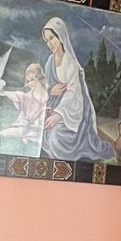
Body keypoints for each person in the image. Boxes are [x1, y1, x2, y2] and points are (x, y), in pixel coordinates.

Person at [40, 16, 115, 162]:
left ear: (60, 36)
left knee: (55, 139)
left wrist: (57, 116)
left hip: (71, 113)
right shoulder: (49, 61)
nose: (49, 43)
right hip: (52, 106)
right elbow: (46, 85)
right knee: (38, 130)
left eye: (52, 38)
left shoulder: (70, 63)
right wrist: (50, 91)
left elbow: (73, 94)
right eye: (46, 41)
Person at [0, 61, 48, 145]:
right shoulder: (29, 95)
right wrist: (5, 93)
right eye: (28, 81)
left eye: (32, 80)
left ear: (38, 77)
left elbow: (45, 105)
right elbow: (19, 96)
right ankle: (1, 134)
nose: (30, 83)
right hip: (26, 119)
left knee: (38, 131)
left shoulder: (45, 91)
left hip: (38, 121)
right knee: (21, 130)